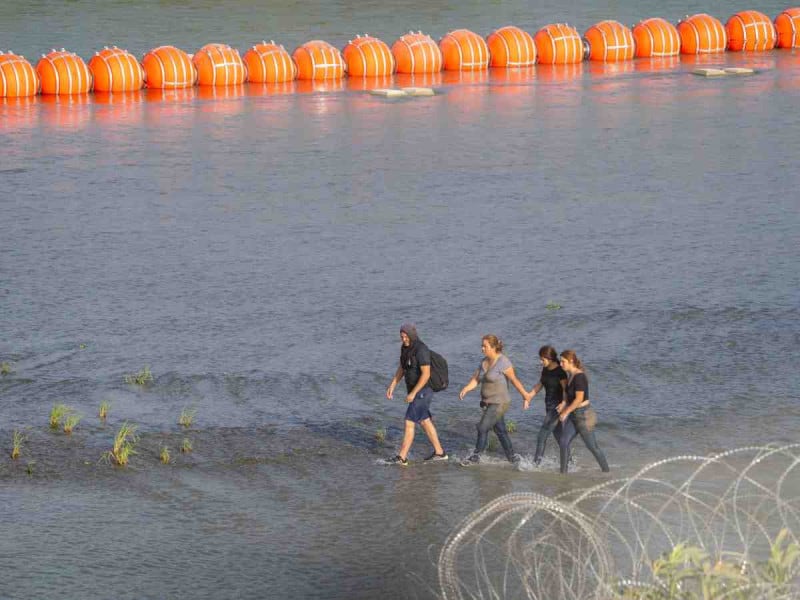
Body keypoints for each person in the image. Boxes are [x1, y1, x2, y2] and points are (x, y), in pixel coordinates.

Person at [458, 335, 527, 465]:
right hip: (488, 403)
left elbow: (514, 380)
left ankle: (475, 457)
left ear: (494, 347)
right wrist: (466, 389)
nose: (482, 348)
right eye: (482, 346)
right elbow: (476, 379)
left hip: (500, 403)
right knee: (501, 431)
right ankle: (512, 458)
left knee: (482, 427)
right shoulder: (484, 362)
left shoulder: (503, 362)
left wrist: (525, 396)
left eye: (485, 346)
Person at [385, 323, 448, 466]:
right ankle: (440, 453)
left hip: (424, 390)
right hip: (416, 391)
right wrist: (393, 384)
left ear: (412, 335)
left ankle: (402, 457)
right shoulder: (405, 348)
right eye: (402, 336)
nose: (404, 339)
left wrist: (413, 393)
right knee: (424, 420)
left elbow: (426, 375)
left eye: (406, 336)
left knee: (409, 421)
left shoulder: (421, 349)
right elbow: (402, 367)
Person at [557, 349, 610, 474]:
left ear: (571, 361)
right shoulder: (571, 376)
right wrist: (563, 404)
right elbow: (570, 398)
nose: (561, 364)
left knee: (593, 447)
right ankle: (563, 474)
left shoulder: (579, 377)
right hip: (574, 416)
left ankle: (607, 473)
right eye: (560, 361)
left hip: (584, 416)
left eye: (563, 361)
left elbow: (579, 399)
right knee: (563, 442)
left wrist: (565, 412)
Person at [523, 345, 575, 470]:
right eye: (540, 359)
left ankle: (535, 466)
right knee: (560, 438)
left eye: (543, 359)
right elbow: (540, 384)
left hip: (556, 409)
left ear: (550, 358)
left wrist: (563, 403)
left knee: (541, 436)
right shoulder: (545, 369)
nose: (541, 362)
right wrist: (529, 396)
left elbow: (565, 390)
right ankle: (570, 463)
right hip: (548, 407)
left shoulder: (560, 372)